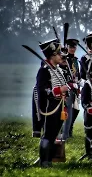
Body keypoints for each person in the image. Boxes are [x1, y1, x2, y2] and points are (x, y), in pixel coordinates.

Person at [35, 39, 71, 167]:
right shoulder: (44, 70)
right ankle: (44, 161)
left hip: (60, 106)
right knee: (48, 134)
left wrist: (65, 92)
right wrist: (58, 90)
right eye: (58, 54)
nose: (61, 56)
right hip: (49, 107)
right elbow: (42, 90)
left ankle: (49, 159)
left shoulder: (58, 70)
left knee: (54, 134)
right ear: (52, 55)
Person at [60, 39, 81, 140]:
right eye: (71, 47)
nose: (72, 49)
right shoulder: (63, 58)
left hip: (75, 87)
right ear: (67, 47)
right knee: (66, 109)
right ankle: (65, 130)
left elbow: (77, 73)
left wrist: (79, 81)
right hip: (67, 87)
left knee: (76, 109)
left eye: (74, 47)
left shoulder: (75, 60)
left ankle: (70, 127)